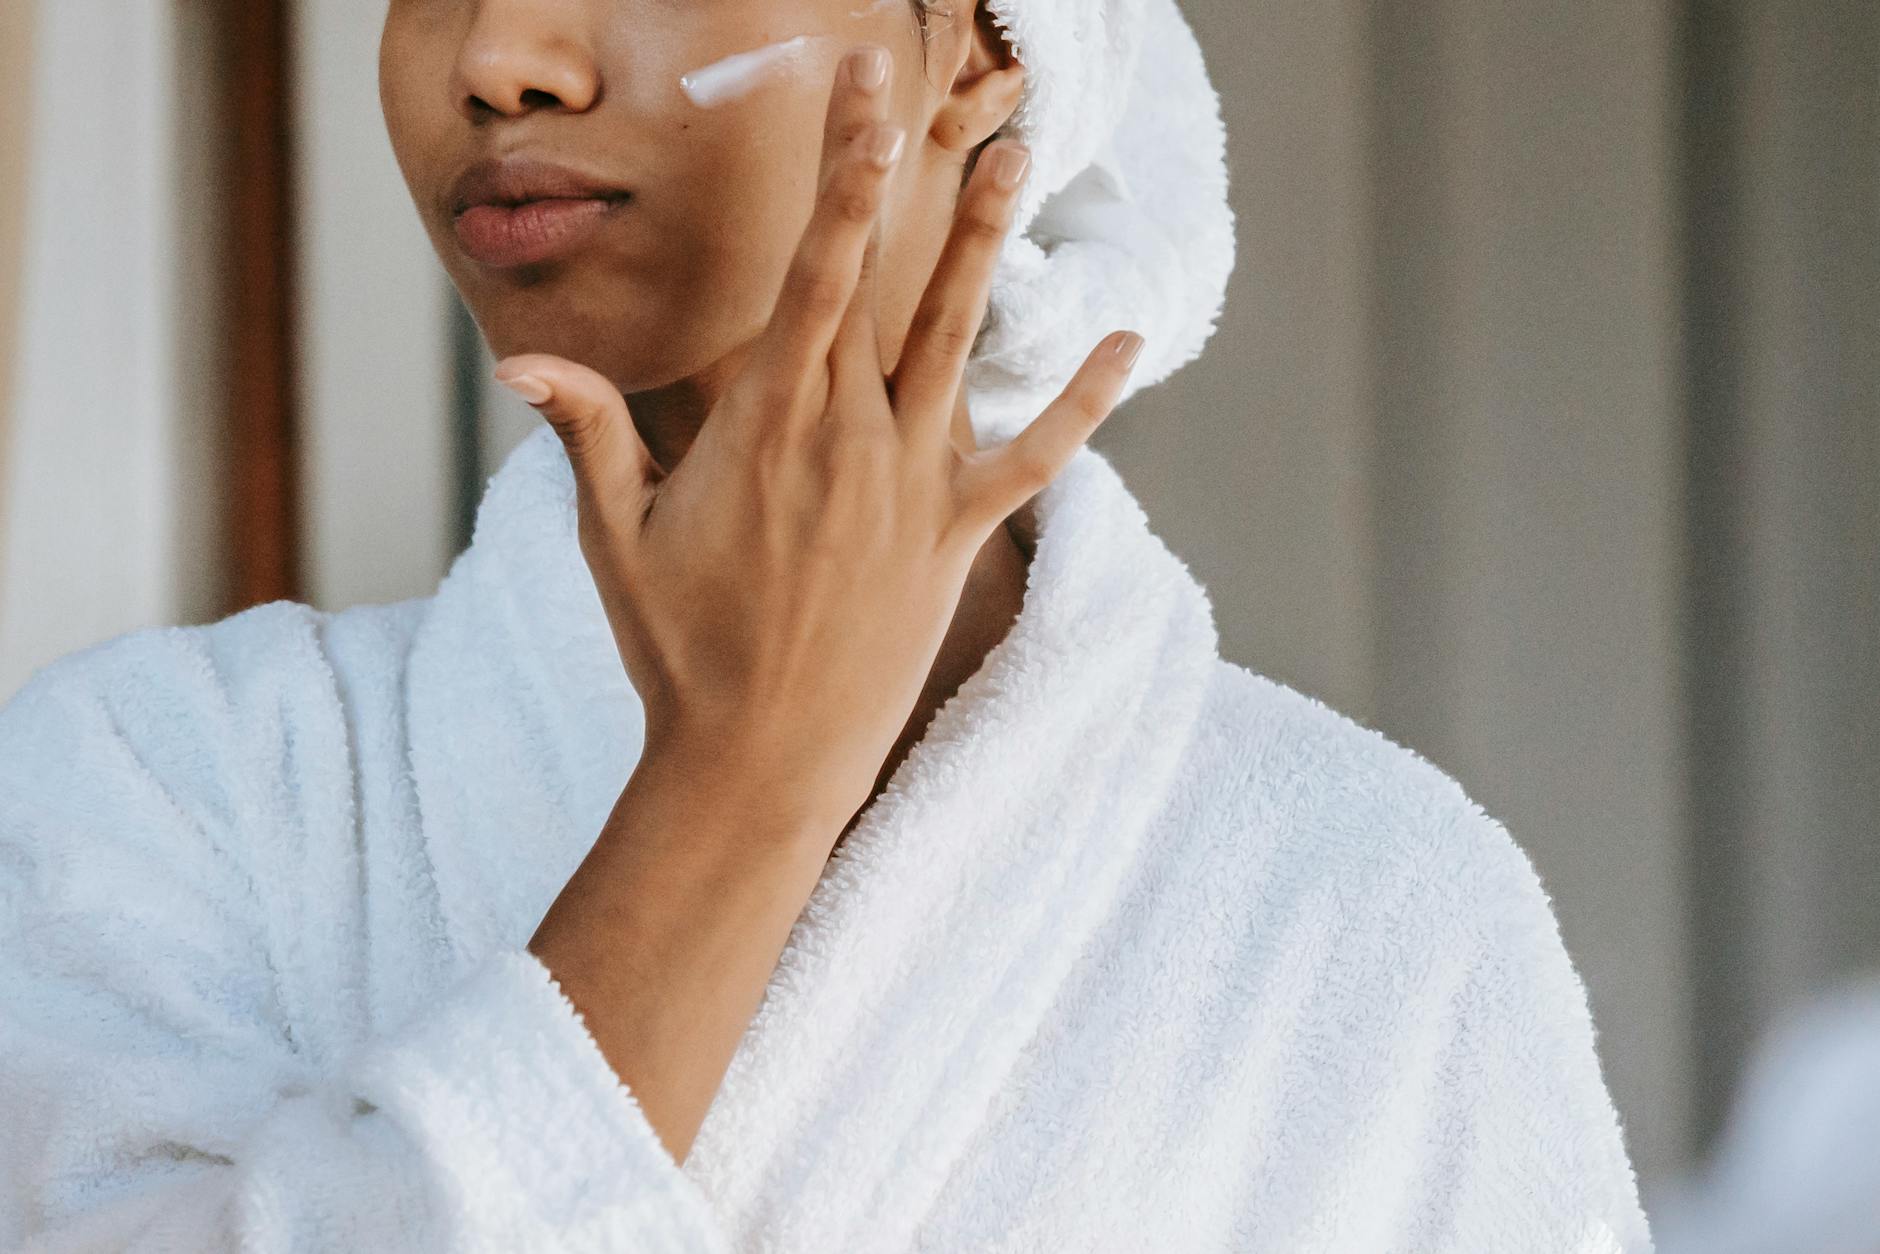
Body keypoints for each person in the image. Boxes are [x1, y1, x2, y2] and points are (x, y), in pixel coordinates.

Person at [0, 0, 1654, 1249]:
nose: (499, 53)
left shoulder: (1372, 922)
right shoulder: (152, 792)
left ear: (990, 50)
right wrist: (736, 788)